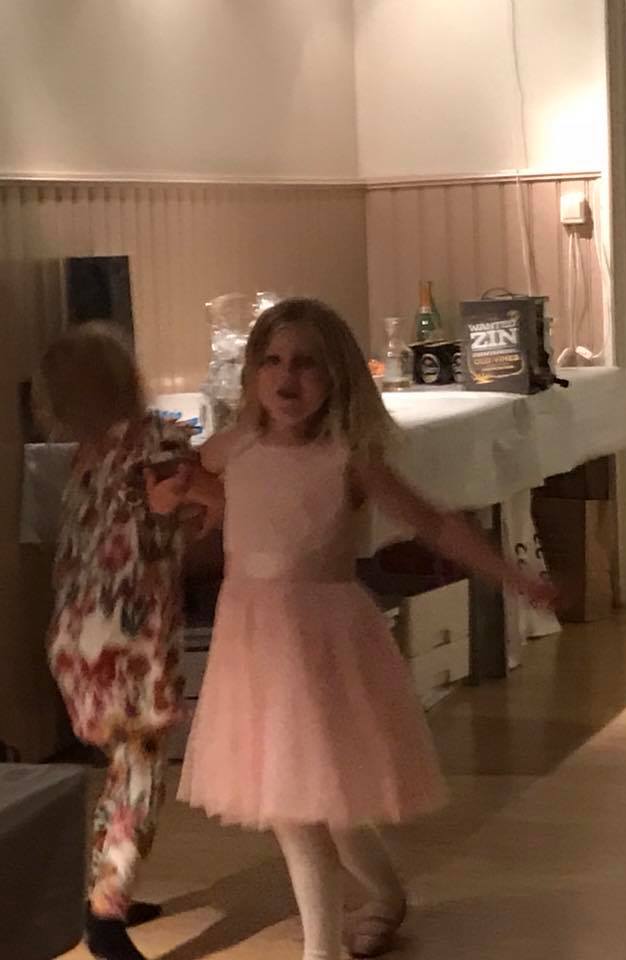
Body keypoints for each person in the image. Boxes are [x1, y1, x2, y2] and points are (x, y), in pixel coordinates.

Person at [163, 298, 554, 960]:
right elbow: (213, 492)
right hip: (253, 642)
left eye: (307, 363)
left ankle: (323, 948)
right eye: (272, 361)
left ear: (338, 376)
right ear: (252, 373)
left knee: (304, 806)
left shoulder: (347, 456)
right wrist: (176, 494)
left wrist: (510, 575)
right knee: (317, 799)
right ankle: (386, 896)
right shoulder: (235, 445)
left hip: (319, 640)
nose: (287, 377)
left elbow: (433, 522)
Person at [36, 323, 218, 960]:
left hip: (75, 636)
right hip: (132, 635)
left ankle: (104, 887)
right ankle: (105, 915)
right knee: (139, 775)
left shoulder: (82, 461)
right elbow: (197, 495)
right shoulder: (155, 441)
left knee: (119, 767)